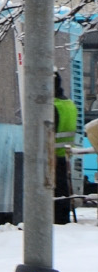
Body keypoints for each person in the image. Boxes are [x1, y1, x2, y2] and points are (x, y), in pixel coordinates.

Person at [54, 72, 79, 225]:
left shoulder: (53, 106)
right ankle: (63, 218)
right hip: (66, 155)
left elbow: (48, 132)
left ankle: (58, 219)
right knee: (63, 190)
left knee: (55, 191)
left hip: (52, 156)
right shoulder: (70, 105)